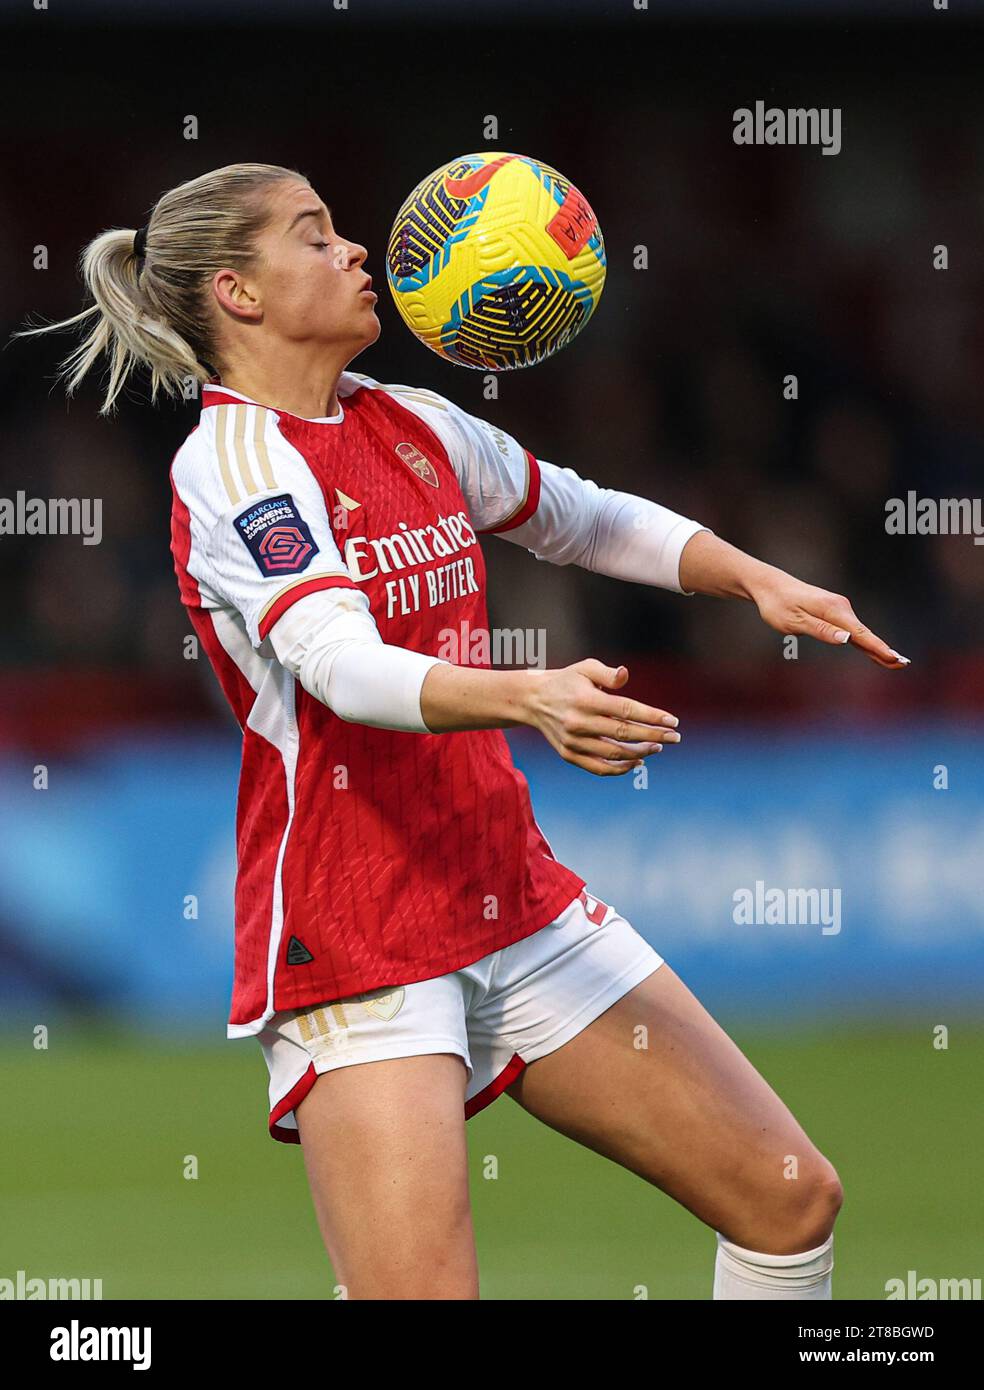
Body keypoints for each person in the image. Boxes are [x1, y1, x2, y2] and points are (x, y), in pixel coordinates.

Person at [14, 161, 909, 1301]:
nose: (356, 252)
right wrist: (530, 694)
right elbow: (340, 666)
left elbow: (581, 515)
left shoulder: (412, 420)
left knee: (790, 1198)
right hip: (359, 927)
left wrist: (755, 580)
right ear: (237, 293)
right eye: (316, 236)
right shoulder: (231, 466)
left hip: (508, 887)